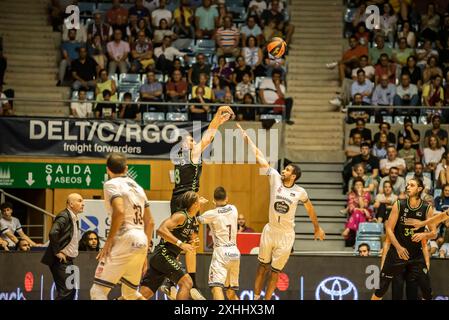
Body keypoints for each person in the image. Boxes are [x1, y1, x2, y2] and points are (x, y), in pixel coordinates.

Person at [237, 123, 325, 300]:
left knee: (275, 272)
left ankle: (267, 301)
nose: (283, 171)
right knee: (262, 266)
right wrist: (248, 141)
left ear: (293, 176)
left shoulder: (300, 192)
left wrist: (317, 228)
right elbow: (260, 158)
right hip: (270, 230)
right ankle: (255, 301)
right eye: (284, 169)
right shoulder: (275, 178)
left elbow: (310, 208)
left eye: (287, 170)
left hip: (286, 234)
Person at [162, 105, 235, 300]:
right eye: (191, 140)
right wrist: (218, 115)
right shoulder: (192, 155)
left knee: (182, 241)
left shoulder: (178, 159)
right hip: (187, 200)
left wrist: (220, 121)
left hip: (176, 199)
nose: (195, 142)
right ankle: (190, 281)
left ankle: (172, 280)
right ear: (186, 145)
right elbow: (209, 136)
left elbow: (207, 137)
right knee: (191, 240)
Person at [90, 153, 155, 300]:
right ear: (126, 168)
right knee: (130, 294)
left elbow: (119, 211)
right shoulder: (139, 187)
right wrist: (145, 253)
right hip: (142, 240)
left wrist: (108, 241)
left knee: (97, 292)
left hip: (126, 237)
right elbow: (150, 222)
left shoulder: (111, 184)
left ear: (108, 169)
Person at [371, 178, 435, 300]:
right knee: (381, 289)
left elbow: (434, 233)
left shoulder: (427, 208)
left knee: (427, 291)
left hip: (416, 256)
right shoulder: (399, 204)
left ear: (419, 189)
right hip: (397, 254)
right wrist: (399, 248)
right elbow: (389, 229)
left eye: (412, 185)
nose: (408, 187)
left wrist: (424, 235)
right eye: (407, 185)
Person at [140, 191, 205, 300]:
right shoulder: (181, 216)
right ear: (194, 204)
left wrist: (192, 243)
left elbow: (184, 239)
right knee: (187, 283)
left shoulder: (191, 219)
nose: (201, 202)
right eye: (198, 201)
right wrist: (180, 244)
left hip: (163, 258)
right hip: (164, 254)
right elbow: (161, 230)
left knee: (144, 294)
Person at [196, 187, 240, 300]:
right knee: (231, 292)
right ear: (227, 198)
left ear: (214, 200)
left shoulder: (211, 214)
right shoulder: (233, 209)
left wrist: (199, 205)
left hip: (221, 252)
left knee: (216, 287)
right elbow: (224, 208)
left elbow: (196, 220)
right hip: (235, 252)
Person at [41, 193, 84, 300]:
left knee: (71, 290)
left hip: (68, 260)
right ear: (71, 203)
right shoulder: (64, 216)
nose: (83, 204)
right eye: (79, 201)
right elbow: (53, 233)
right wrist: (57, 252)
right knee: (66, 291)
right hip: (60, 260)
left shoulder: (73, 217)